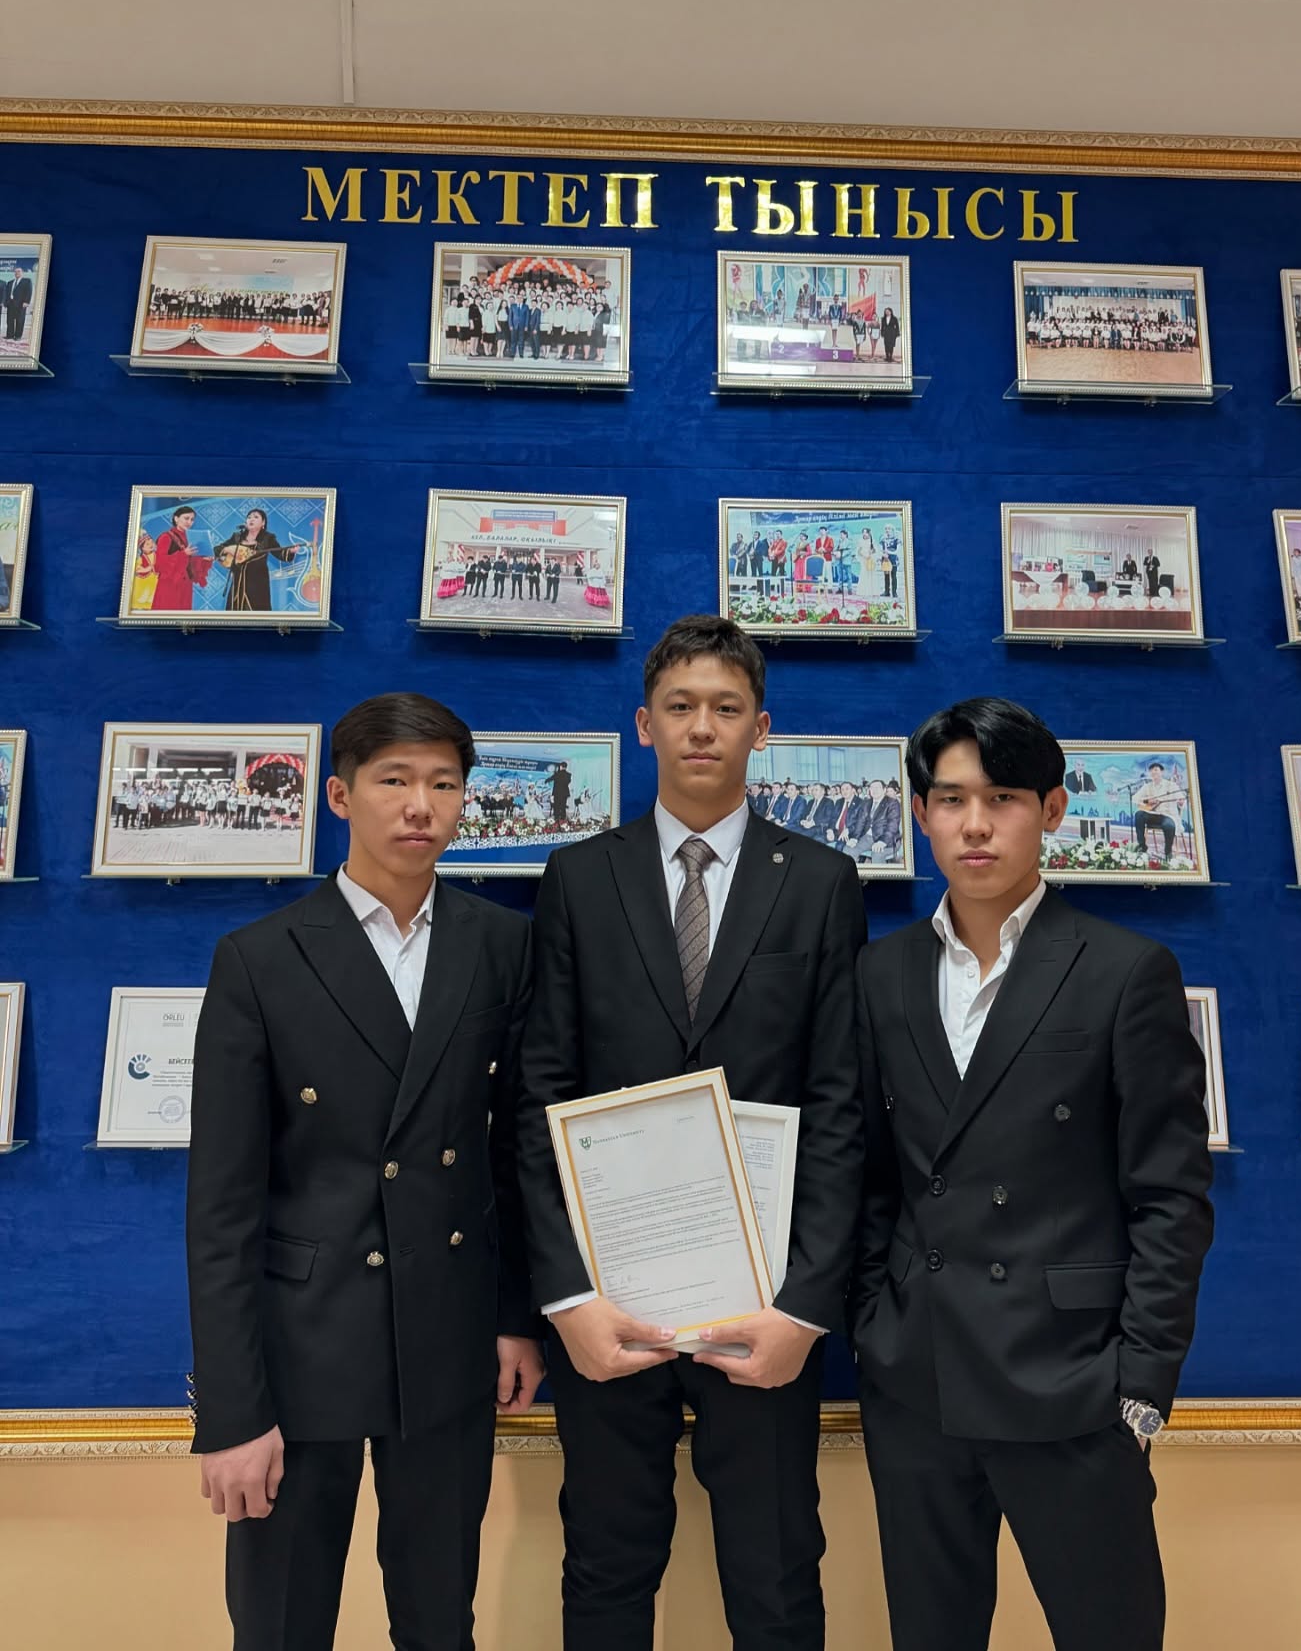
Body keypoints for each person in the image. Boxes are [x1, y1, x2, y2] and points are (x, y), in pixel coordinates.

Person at [517, 614, 868, 1651]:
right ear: (644, 725)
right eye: (679, 707)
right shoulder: (580, 877)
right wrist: (569, 1299)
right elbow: (538, 1098)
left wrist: (804, 1307)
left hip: (760, 1305)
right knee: (606, 1566)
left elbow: (839, 1106)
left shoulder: (822, 881)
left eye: (725, 708)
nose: (701, 728)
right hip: (610, 1304)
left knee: (776, 1572)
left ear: (762, 727)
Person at [850, 697, 1213, 1651]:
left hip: (1074, 1382)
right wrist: (874, 1323)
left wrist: (1141, 1383)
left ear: (1051, 810)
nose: (975, 824)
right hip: (918, 1378)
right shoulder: (881, 975)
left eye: (1003, 798)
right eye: (951, 799)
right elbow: (871, 1175)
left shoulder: (1125, 971)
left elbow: (1170, 1195)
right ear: (920, 813)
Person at [186, 692, 542, 1651]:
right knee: (281, 1624)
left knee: (440, 1620)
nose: (420, 805)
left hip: (450, 1334)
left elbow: (515, 1152)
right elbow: (221, 1209)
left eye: (443, 784)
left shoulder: (502, 945)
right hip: (302, 1348)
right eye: (394, 781)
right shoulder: (259, 960)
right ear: (340, 797)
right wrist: (231, 1413)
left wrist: (516, 1315)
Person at [214, 508, 300, 613]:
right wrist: (227, 549)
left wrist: (291, 551)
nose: (251, 519)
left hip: (257, 584)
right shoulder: (237, 537)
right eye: (249, 517)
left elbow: (280, 553)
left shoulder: (267, 538)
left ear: (263, 522)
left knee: (256, 613)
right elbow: (217, 549)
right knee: (234, 614)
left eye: (256, 517)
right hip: (237, 583)